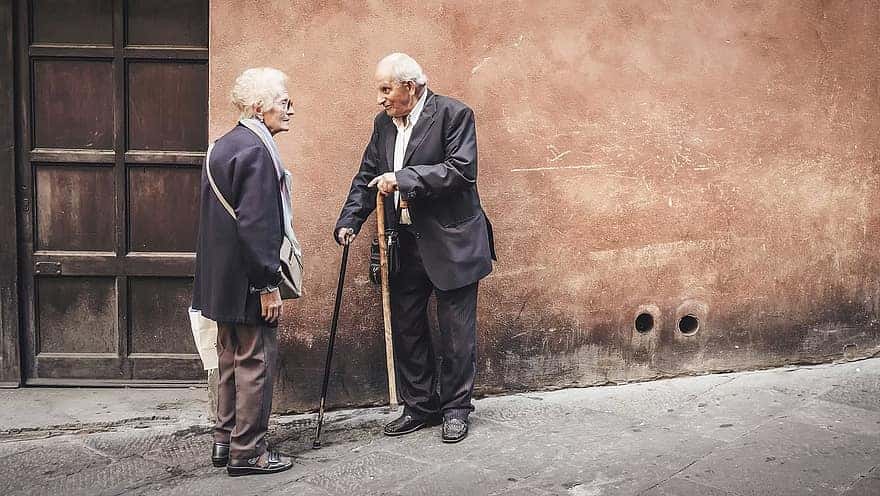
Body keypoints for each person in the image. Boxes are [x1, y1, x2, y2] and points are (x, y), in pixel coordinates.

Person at [334, 53, 496, 443]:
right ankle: (420, 405)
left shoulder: (454, 115)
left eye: (386, 89)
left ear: (411, 86)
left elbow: (460, 170)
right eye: (380, 90)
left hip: (452, 243)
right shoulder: (382, 124)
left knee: (457, 333)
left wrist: (404, 178)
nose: (380, 98)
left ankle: (456, 409)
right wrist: (349, 221)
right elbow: (368, 175)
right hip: (403, 244)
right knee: (407, 328)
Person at [191, 67, 295, 476]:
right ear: (259, 107)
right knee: (255, 361)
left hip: (221, 280)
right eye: (283, 102)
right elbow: (257, 225)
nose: (290, 109)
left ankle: (224, 439)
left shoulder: (224, 145)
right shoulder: (257, 150)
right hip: (250, 281)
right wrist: (268, 284)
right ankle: (248, 452)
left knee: (230, 360)